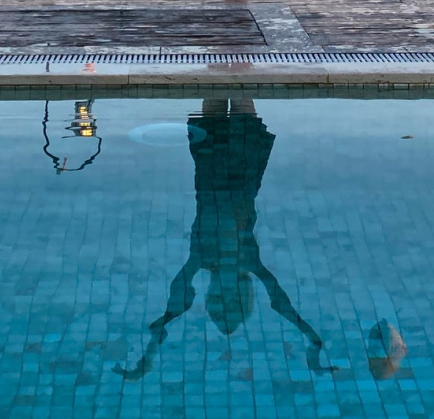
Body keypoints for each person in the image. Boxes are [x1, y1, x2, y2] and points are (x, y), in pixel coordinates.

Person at [117, 98, 327, 379]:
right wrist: (314, 343)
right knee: (238, 97)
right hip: (243, 171)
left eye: (216, 299)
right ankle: (236, 55)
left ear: (209, 293)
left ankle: (225, 55)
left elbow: (171, 311)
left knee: (215, 99)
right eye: (231, 300)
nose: (223, 294)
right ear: (243, 295)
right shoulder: (248, 261)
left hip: (212, 172)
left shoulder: (202, 260)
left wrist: (147, 358)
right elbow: (282, 305)